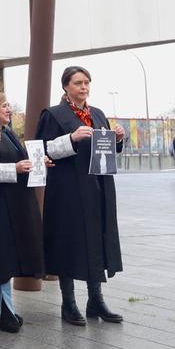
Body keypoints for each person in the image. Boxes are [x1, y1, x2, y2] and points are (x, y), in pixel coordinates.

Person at [37, 65, 126, 326]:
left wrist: (118, 138)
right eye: (78, 83)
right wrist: (72, 138)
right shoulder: (53, 115)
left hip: (98, 187)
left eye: (86, 82)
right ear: (66, 86)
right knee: (69, 241)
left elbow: (107, 149)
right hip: (67, 189)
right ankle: (68, 302)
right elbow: (43, 149)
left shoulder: (97, 114)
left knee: (98, 239)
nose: (83, 87)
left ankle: (95, 299)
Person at [0, 92, 47, 333]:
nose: (9, 109)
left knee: (10, 254)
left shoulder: (8, 132)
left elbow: (19, 161)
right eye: (4, 106)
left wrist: (37, 163)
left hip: (14, 204)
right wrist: (15, 168)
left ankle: (4, 309)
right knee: (2, 255)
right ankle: (3, 310)